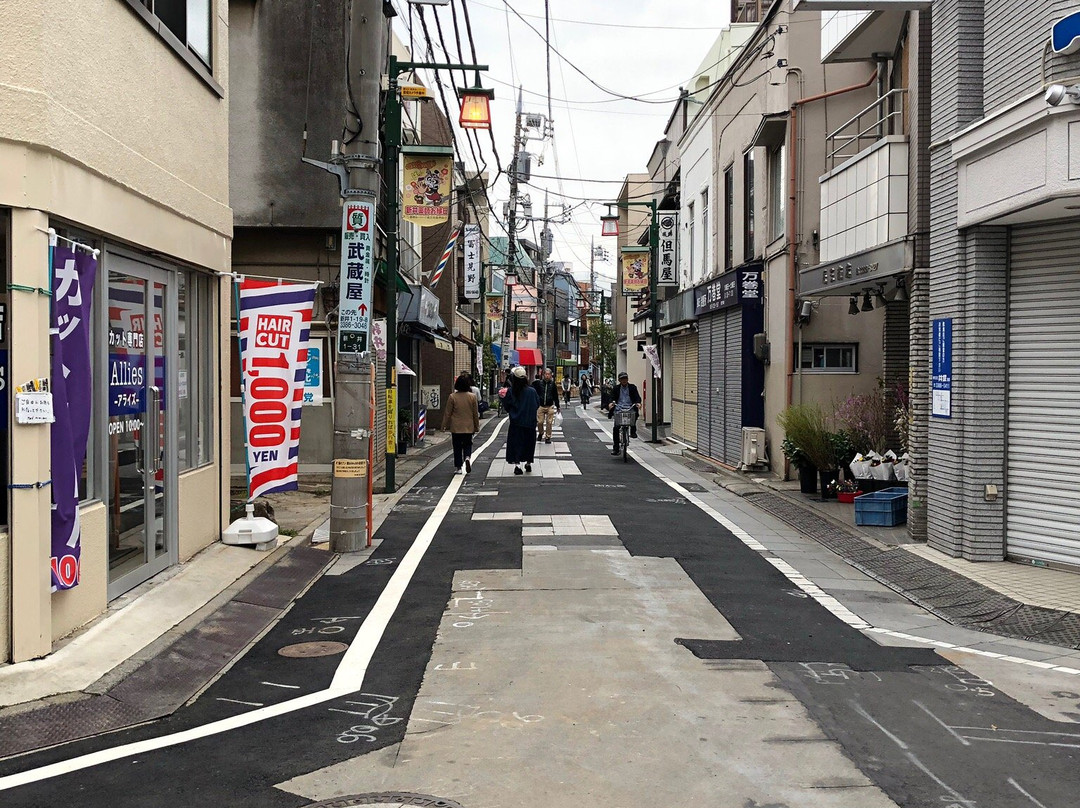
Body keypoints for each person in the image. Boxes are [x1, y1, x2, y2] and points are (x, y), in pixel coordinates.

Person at [502, 366, 539, 474]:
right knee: (529, 443)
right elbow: (537, 404)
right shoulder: (532, 391)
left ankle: (517, 465)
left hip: (516, 422)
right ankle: (528, 463)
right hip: (530, 422)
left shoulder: (511, 391)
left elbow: (507, 406)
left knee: (516, 443)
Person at [441, 375, 480, 474]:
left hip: (456, 426)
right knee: (468, 443)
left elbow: (447, 412)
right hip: (468, 426)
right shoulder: (472, 397)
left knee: (457, 446)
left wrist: (444, 425)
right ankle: (467, 457)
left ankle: (458, 467)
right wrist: (476, 426)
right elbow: (475, 413)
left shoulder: (452, 396)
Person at [607, 371, 641, 455]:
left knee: (633, 416)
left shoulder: (632, 387)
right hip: (619, 408)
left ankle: (633, 431)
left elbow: (637, 397)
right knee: (616, 427)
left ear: (628, 379)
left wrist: (638, 403)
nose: (624, 380)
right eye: (622, 379)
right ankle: (616, 448)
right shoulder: (616, 388)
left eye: (625, 378)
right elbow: (612, 397)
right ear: (619, 380)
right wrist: (611, 403)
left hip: (630, 407)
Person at [532, 367, 561, 444]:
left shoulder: (553, 384)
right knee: (540, 422)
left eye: (549, 374)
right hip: (540, 406)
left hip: (550, 405)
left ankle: (548, 437)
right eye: (546, 374)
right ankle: (541, 433)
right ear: (543, 375)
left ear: (551, 375)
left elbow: (555, 396)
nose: (547, 376)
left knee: (549, 422)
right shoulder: (539, 383)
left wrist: (558, 406)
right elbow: (534, 392)